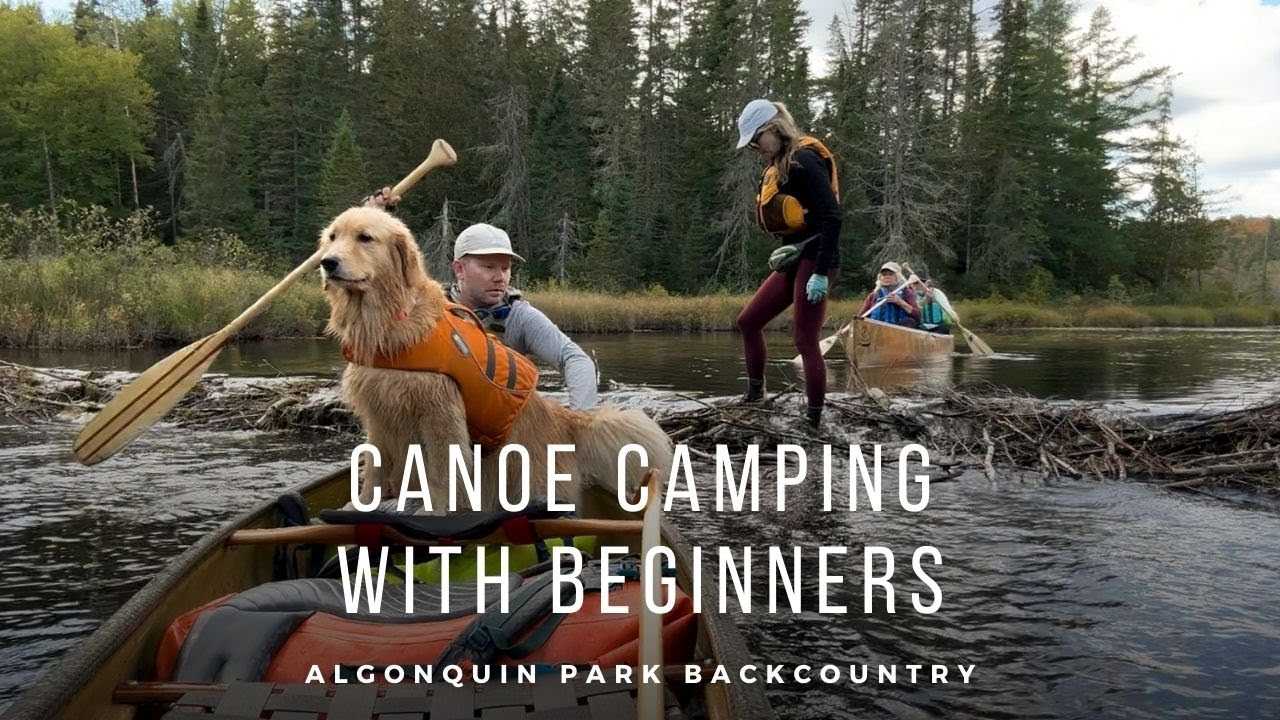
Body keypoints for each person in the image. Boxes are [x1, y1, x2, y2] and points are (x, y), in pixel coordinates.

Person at [364, 189, 597, 410]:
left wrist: (582, 420)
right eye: (489, 267)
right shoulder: (428, 307)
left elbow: (575, 359)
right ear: (459, 269)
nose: (500, 278)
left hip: (496, 423)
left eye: (505, 268)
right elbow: (377, 279)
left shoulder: (520, 317)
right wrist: (371, 216)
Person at [733, 99, 842, 429]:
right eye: (750, 144)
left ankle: (814, 420)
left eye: (756, 139)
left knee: (805, 339)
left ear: (774, 128)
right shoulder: (780, 165)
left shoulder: (806, 160)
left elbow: (832, 218)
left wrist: (820, 272)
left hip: (818, 259)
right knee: (748, 321)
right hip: (795, 259)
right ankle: (755, 395)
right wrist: (789, 250)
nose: (755, 148)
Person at [859, 262, 920, 328]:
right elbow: (860, 316)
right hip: (877, 330)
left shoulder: (906, 293)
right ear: (880, 278)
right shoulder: (874, 295)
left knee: (909, 321)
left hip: (899, 332)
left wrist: (900, 302)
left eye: (890, 274)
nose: (887, 277)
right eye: (884, 275)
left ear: (897, 277)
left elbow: (917, 315)